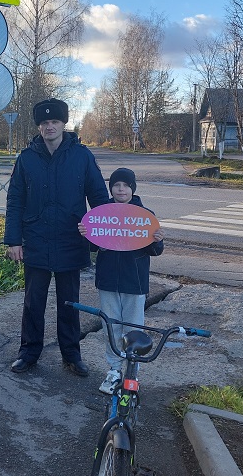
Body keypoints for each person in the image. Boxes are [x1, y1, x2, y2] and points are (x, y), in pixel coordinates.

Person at [4, 98, 109, 377]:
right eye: (44, 123)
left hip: (70, 239)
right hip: (36, 239)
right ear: (39, 126)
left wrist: (103, 236)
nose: (49, 127)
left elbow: (98, 197)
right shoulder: (27, 158)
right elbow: (15, 200)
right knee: (33, 301)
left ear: (64, 124)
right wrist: (14, 240)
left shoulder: (82, 156)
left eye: (55, 122)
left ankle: (72, 355)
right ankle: (28, 353)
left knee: (69, 302)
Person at [79, 167, 164, 394]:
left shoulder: (145, 215)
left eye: (125, 185)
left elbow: (155, 251)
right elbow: (93, 246)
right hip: (107, 280)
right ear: (111, 188)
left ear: (132, 188)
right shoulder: (102, 213)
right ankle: (114, 369)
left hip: (134, 282)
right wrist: (86, 234)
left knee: (133, 327)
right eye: (116, 185)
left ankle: (132, 371)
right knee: (111, 325)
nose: (121, 189)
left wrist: (157, 240)